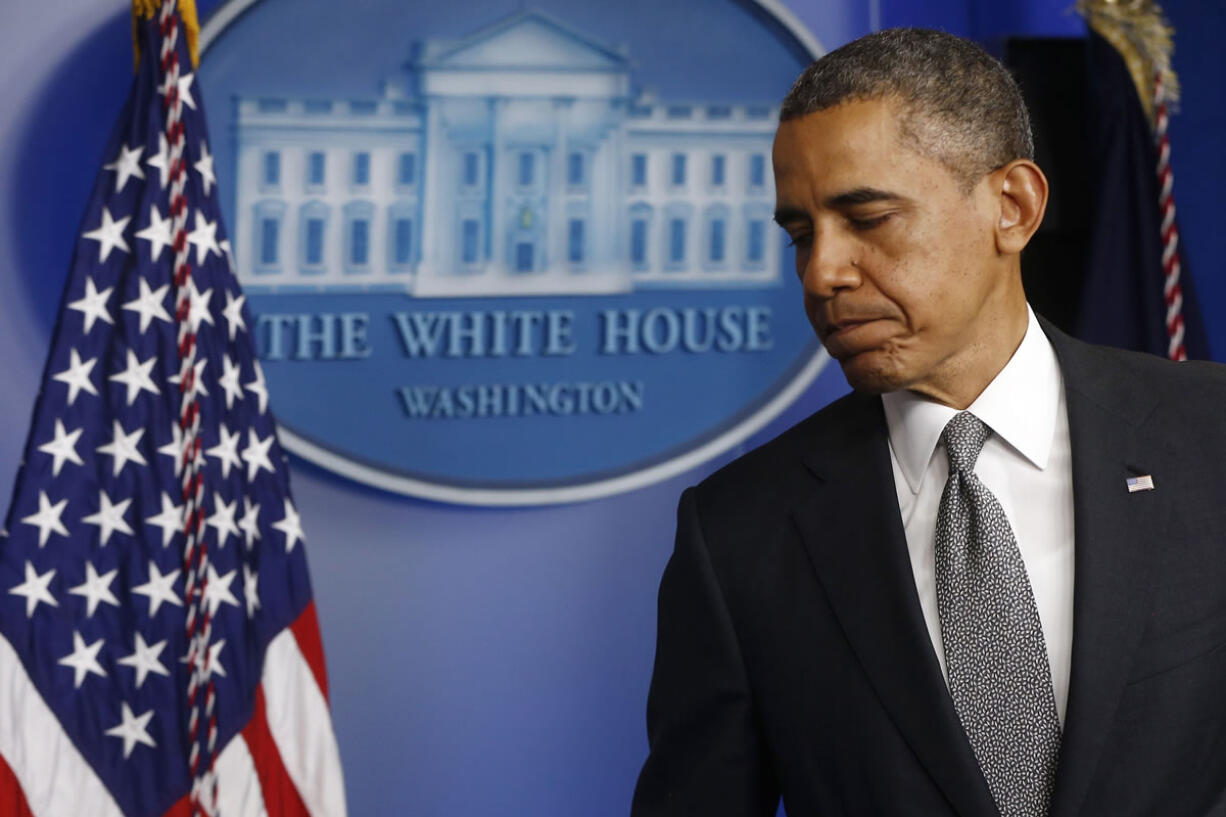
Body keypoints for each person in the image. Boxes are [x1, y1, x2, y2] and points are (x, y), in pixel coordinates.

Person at [631, 27, 1226, 817]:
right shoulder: (738, 530)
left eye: (867, 218)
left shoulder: (1210, 437)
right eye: (801, 235)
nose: (823, 273)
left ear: (1011, 206)